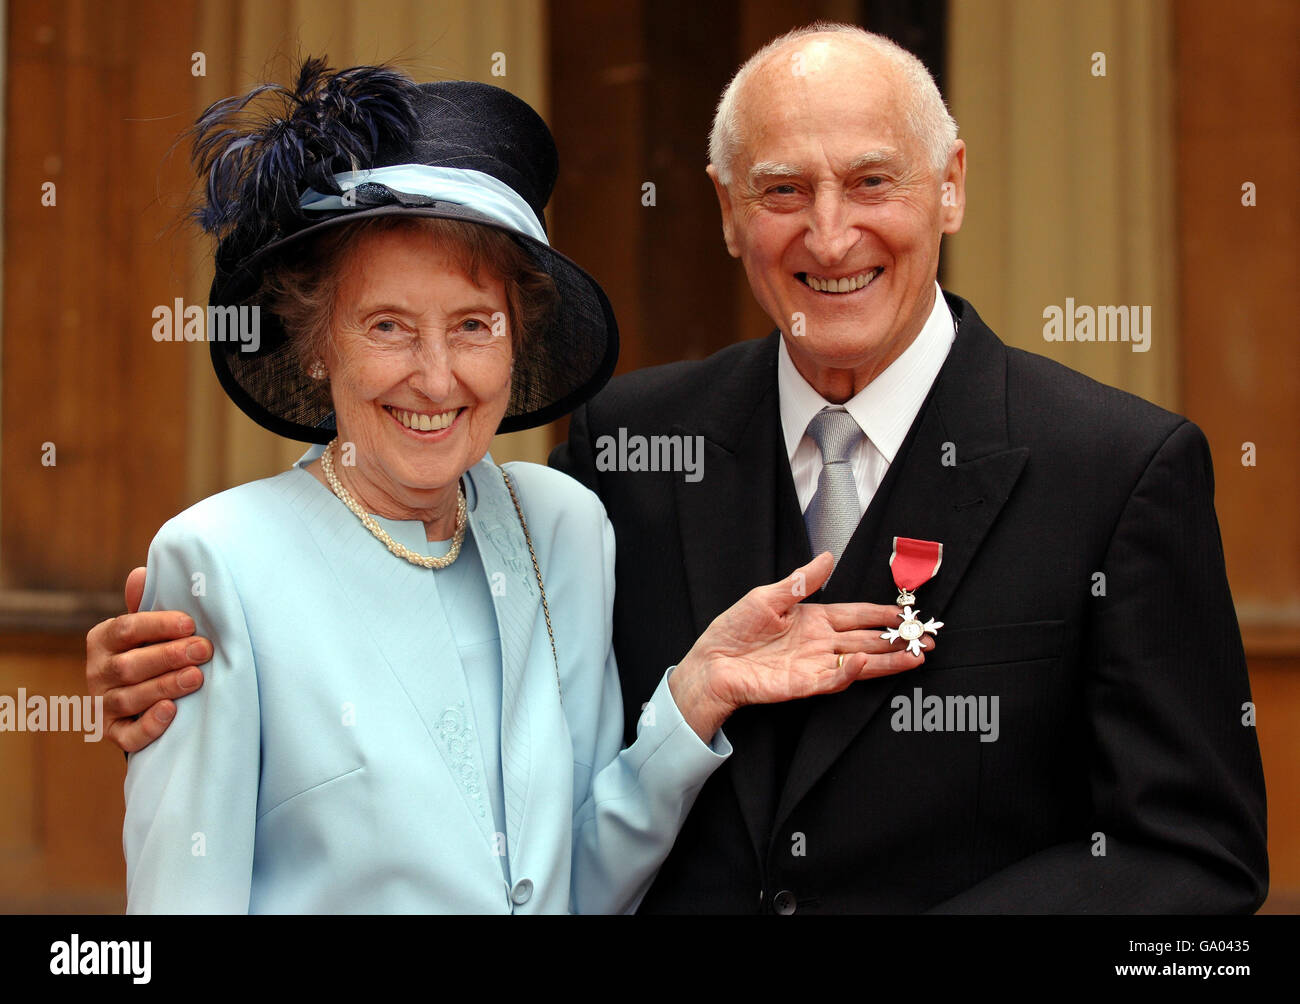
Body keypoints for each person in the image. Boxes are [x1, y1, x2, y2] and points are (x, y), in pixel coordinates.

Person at [91, 25, 1268, 913]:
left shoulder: (1121, 467)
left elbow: (1197, 855)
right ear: (722, 210)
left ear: (949, 183)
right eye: (780, 191)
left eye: (871, 180)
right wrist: (212, 611)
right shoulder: (621, 454)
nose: (828, 233)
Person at [109, 58, 928, 914]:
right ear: (318, 346)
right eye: (387, 326)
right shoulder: (219, 563)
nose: (435, 377)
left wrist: (699, 695)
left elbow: (579, 886)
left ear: (516, 341)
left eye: (472, 326)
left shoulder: (562, 526)